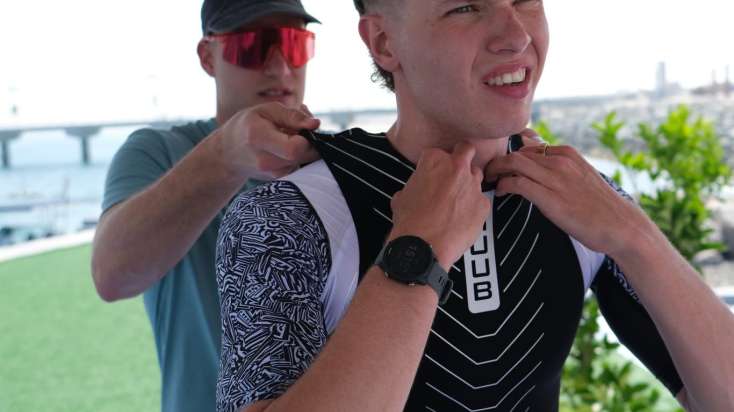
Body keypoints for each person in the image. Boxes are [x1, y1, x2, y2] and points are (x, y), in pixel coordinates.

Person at [215, 1, 734, 411]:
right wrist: (416, 251)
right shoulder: (290, 215)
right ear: (384, 42)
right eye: (465, 6)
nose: (516, 35)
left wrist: (635, 238)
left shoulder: (579, 200)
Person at [90, 1, 322, 411]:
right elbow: (113, 274)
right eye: (254, 46)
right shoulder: (160, 153)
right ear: (207, 57)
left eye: (294, 44)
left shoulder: (334, 164)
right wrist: (226, 155)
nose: (280, 66)